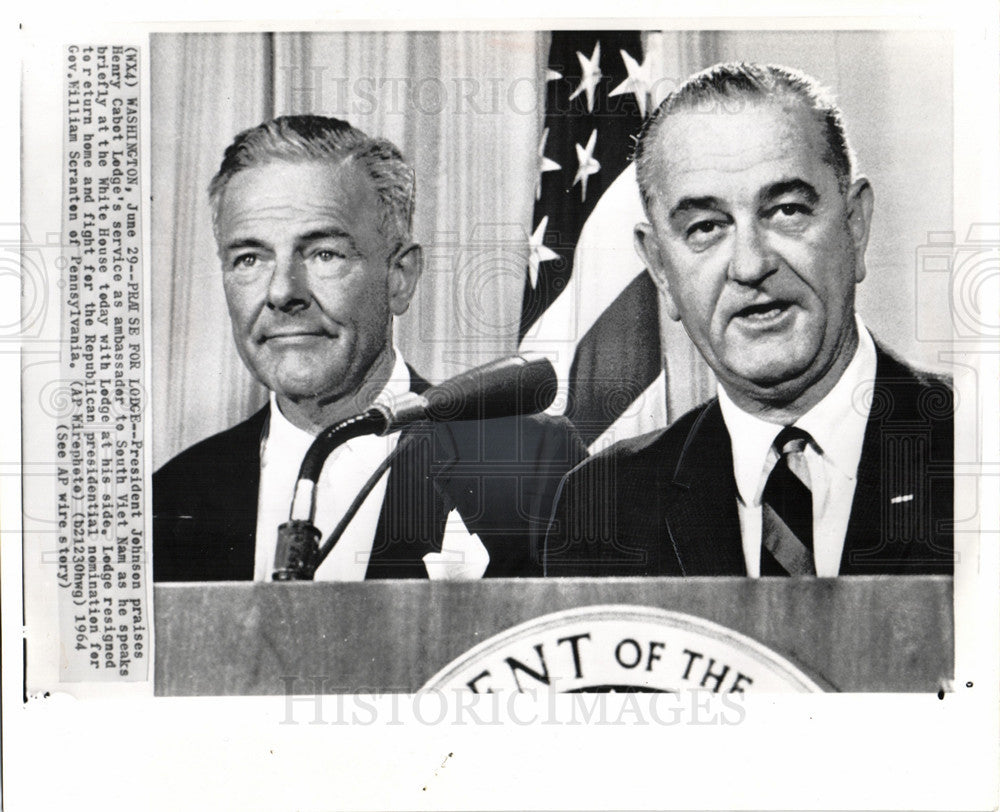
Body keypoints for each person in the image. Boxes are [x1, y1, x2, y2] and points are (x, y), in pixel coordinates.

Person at [544, 63, 953, 577]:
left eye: (785, 211)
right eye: (706, 227)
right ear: (661, 270)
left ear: (855, 227)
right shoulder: (601, 506)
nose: (750, 265)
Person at [154, 115, 585, 582]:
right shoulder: (174, 497)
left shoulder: (531, 463)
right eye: (249, 259)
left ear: (399, 278)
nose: (282, 293)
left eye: (324, 254)